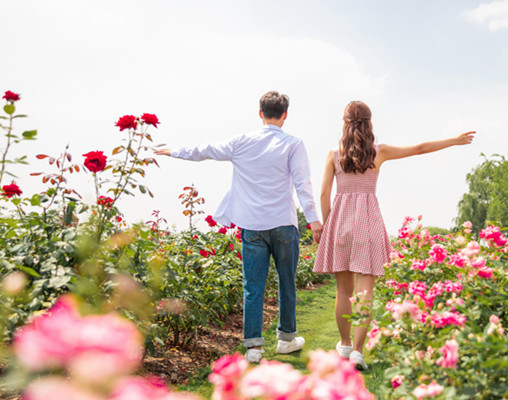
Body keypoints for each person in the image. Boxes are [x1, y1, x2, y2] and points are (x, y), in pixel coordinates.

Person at [155, 91, 323, 363]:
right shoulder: (293, 144)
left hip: (252, 226)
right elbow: (304, 185)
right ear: (285, 114)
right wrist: (314, 220)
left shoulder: (241, 142)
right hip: (283, 224)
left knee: (252, 286)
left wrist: (174, 151)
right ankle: (286, 340)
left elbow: (204, 151)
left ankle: (254, 348)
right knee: (286, 283)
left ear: (260, 113)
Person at [313, 100, 476, 369]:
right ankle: (357, 351)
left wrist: (328, 224)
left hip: (340, 222)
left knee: (343, 289)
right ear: (369, 122)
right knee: (365, 292)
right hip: (367, 223)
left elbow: (323, 194)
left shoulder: (334, 154)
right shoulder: (379, 152)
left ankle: (343, 345)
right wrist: (454, 141)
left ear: (344, 122)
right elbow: (420, 149)